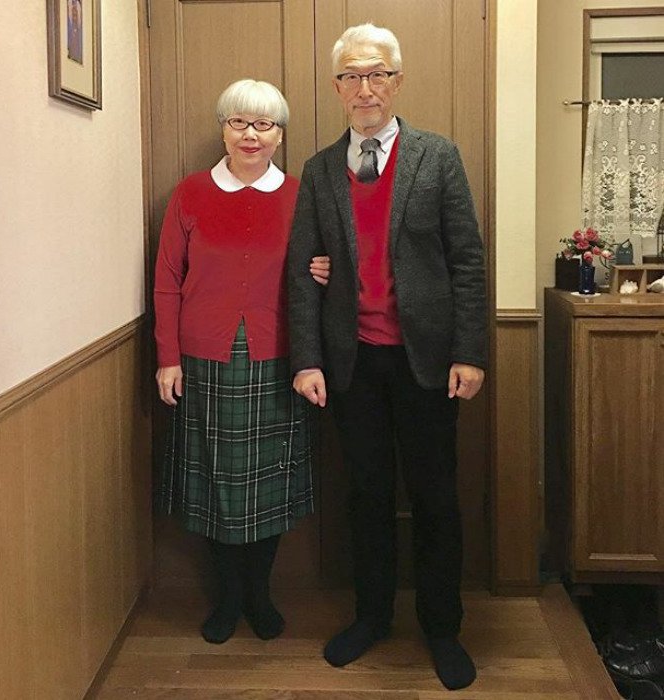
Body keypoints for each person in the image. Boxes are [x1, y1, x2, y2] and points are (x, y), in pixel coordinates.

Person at [287, 24, 487, 691]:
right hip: (352, 366)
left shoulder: (439, 156)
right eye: (350, 76)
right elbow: (302, 272)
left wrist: (470, 350)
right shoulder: (317, 171)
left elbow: (466, 259)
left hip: (428, 364)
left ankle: (442, 627)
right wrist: (308, 360)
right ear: (338, 88)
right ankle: (371, 616)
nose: (364, 88)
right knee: (366, 497)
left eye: (376, 74)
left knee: (435, 499)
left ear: (397, 81)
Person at [154, 79, 328, 645]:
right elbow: (166, 283)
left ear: (280, 134)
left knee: (268, 487)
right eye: (239, 123)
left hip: (281, 359)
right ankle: (227, 599)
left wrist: (326, 273)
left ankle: (259, 594)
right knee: (213, 485)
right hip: (204, 360)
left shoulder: (304, 196)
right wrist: (166, 358)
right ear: (224, 128)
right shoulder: (189, 194)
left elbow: (323, 272)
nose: (251, 135)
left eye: (265, 125)